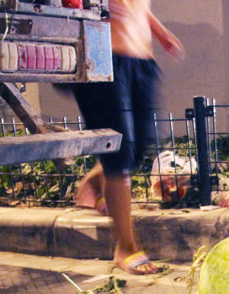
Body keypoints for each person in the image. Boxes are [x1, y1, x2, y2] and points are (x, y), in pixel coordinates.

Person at [72, 0, 185, 274]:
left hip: (142, 60)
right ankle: (125, 246)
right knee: (119, 158)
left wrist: (160, 33)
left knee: (137, 150)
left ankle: (95, 183)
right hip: (102, 56)